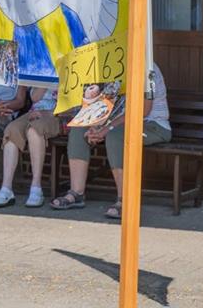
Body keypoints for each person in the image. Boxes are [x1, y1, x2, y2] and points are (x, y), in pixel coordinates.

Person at [51, 64, 171, 219]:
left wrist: (107, 129)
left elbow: (143, 110)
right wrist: (95, 125)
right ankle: (76, 193)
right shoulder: (115, 63)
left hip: (153, 125)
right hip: (115, 123)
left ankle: (125, 200)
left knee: (116, 136)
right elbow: (105, 104)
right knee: (79, 129)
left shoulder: (148, 70)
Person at [0, 86, 60, 208]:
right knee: (12, 130)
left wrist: (48, 113)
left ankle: (36, 187)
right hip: (35, 111)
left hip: (58, 115)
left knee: (34, 130)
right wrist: (47, 79)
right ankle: (6, 189)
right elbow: (35, 98)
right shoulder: (42, 68)